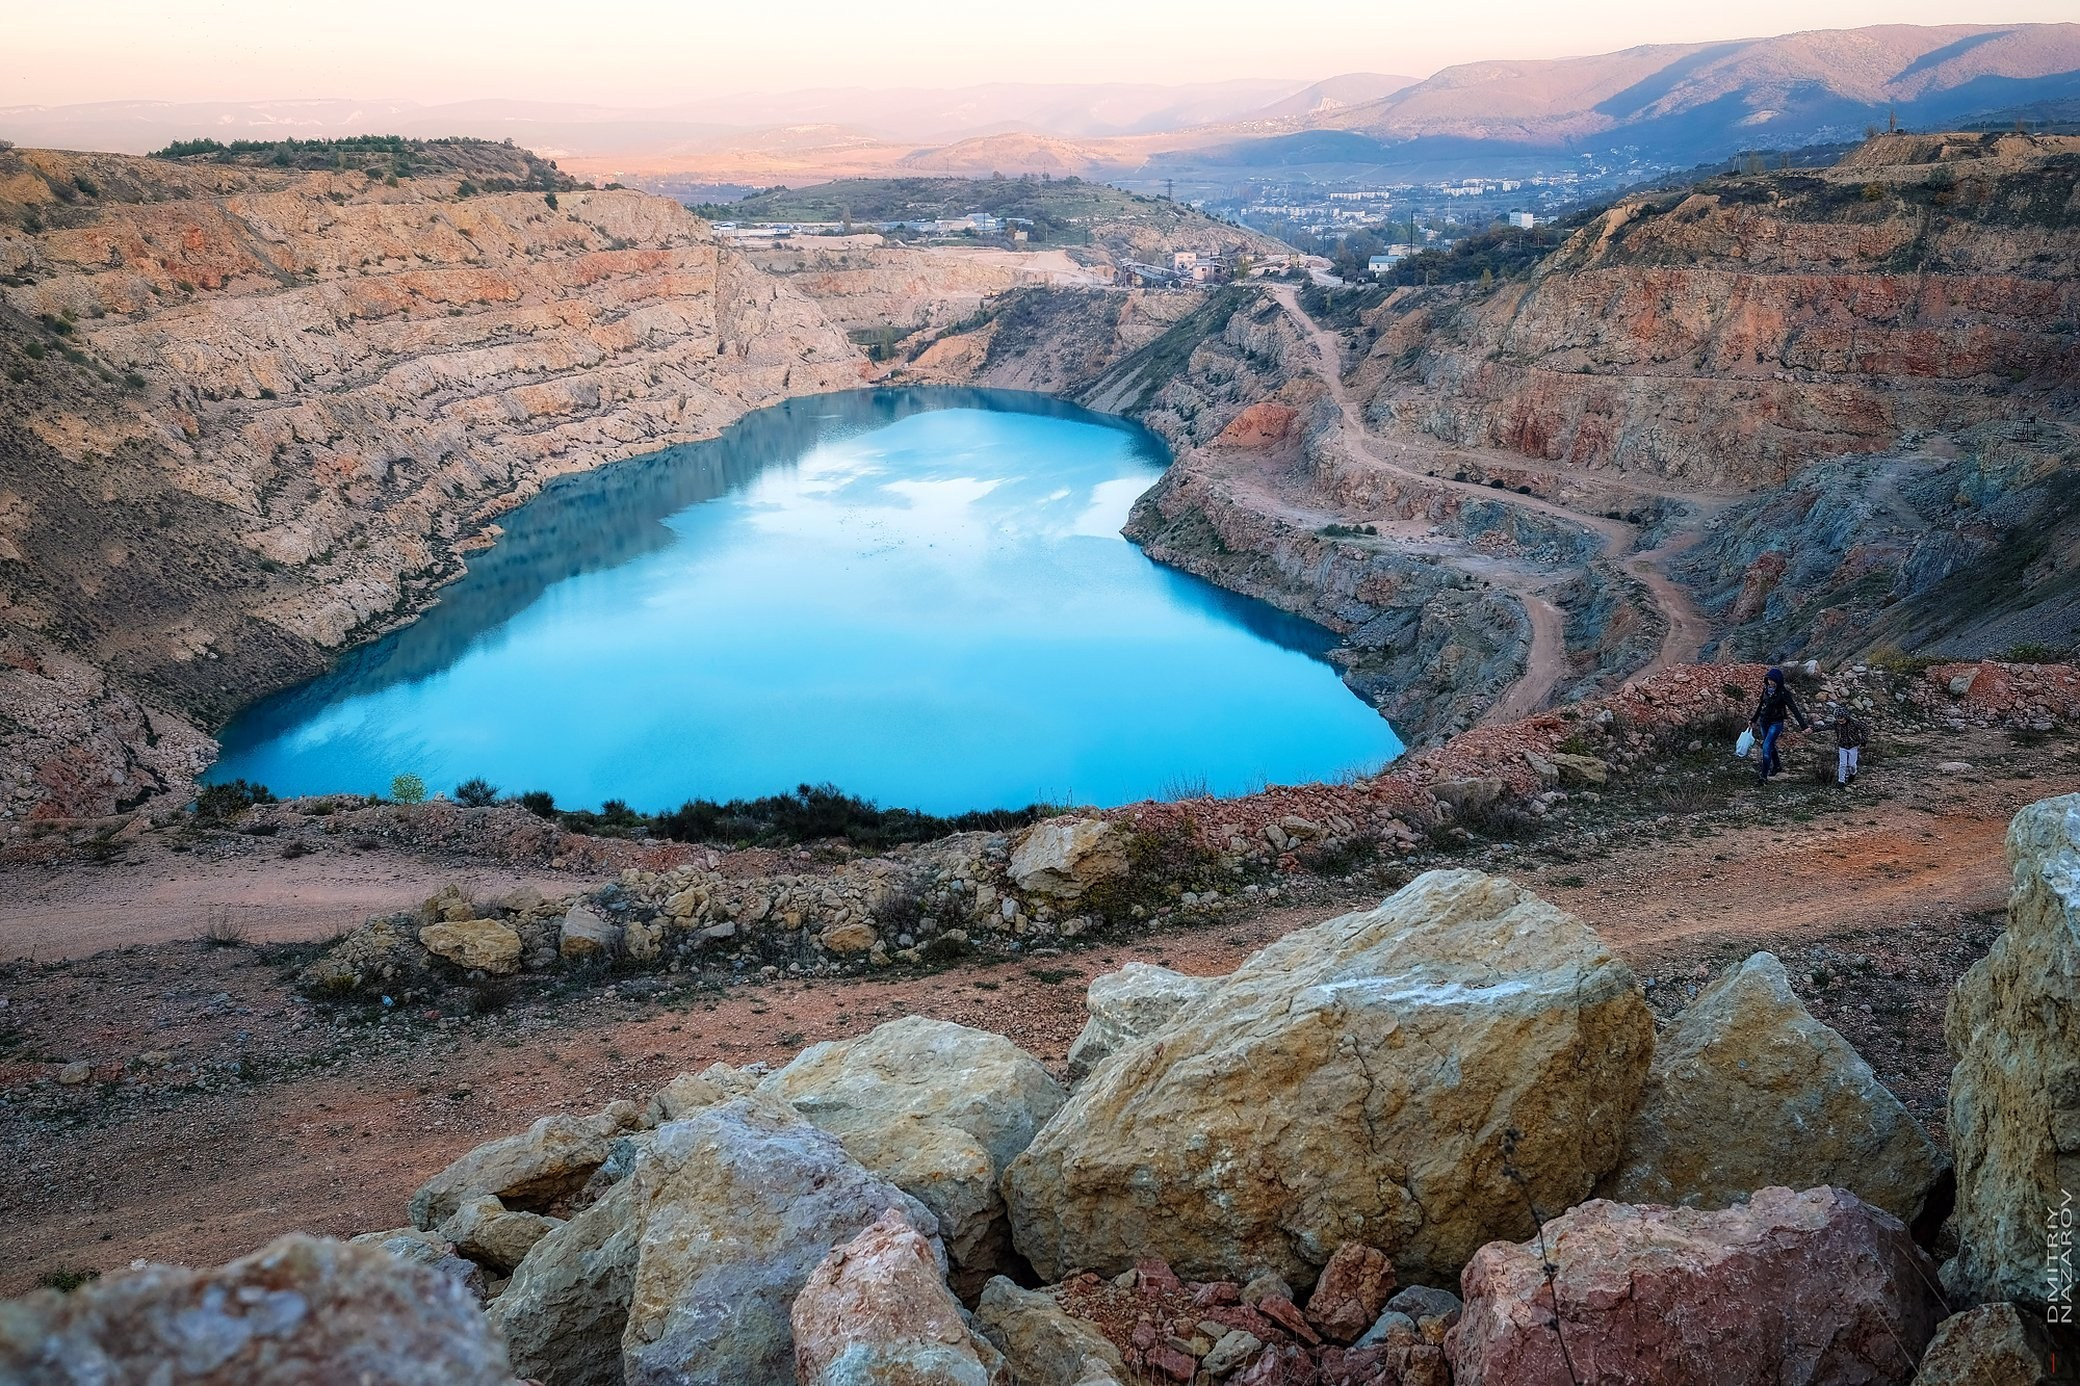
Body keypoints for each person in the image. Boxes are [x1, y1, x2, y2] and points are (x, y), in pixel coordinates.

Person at [1749, 667, 1811, 783]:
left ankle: (1763, 775)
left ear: (1778, 680)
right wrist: (1753, 719)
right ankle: (1777, 766)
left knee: (1766, 746)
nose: (1770, 682)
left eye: (1773, 680)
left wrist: (1804, 726)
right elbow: (1761, 705)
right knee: (1770, 745)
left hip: (1776, 723)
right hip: (1764, 722)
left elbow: (1794, 709)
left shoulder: (1783, 693)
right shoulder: (1766, 690)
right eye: (1769, 680)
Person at [1829, 702, 1867, 786]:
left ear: (1845, 716)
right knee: (1842, 764)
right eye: (1838, 718)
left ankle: (1853, 774)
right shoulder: (1836, 724)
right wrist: (1812, 729)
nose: (1840, 720)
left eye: (1841, 718)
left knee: (1852, 765)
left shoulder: (1854, 722)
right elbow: (1825, 727)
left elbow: (1864, 728)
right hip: (1842, 746)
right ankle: (1841, 781)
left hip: (1853, 746)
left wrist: (1863, 739)